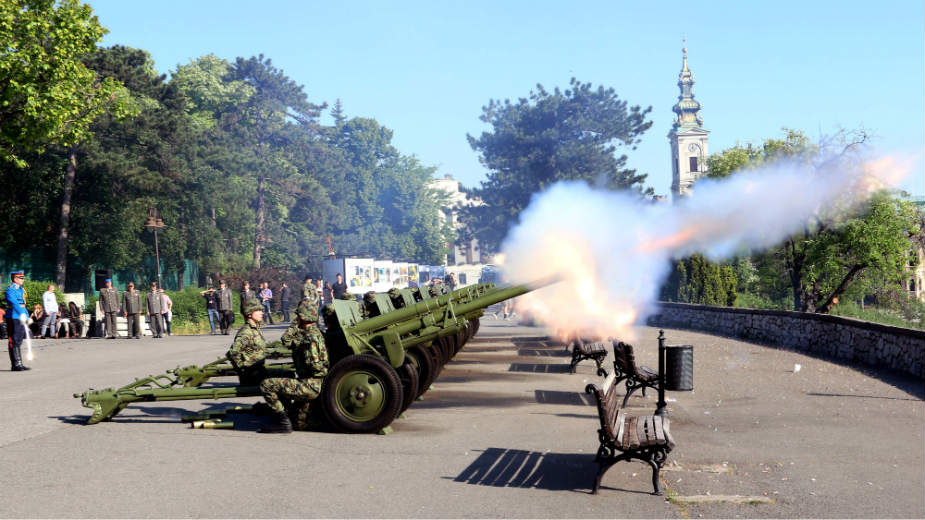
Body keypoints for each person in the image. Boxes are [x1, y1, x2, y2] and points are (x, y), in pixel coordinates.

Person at [258, 300, 328, 433]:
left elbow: (316, 366)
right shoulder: (316, 333)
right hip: (314, 383)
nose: (296, 319)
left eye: (298, 317)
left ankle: (282, 423)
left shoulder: (309, 338)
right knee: (299, 423)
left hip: (310, 385)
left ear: (303, 317)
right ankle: (287, 416)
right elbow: (287, 340)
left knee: (266, 385)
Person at [226, 299, 269, 385]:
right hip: (252, 375)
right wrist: (243, 368)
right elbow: (233, 353)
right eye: (258, 310)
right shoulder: (246, 332)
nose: (261, 313)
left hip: (259, 370)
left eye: (261, 310)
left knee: (287, 373)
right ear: (249, 314)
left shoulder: (255, 329)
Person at [5, 270, 30, 371]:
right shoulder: (10, 290)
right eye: (21, 278)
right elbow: (15, 303)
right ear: (15, 279)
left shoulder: (21, 289)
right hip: (13, 316)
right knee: (13, 340)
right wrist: (22, 314)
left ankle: (19, 363)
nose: (23, 280)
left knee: (19, 340)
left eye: (23, 278)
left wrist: (27, 316)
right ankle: (15, 364)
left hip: (21, 316)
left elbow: (23, 304)